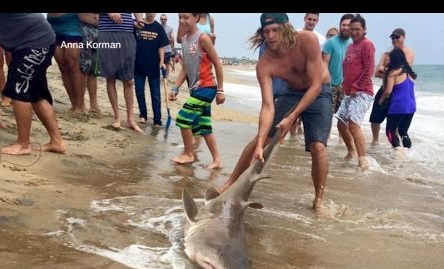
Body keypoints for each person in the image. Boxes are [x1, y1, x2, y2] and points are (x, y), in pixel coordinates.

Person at [218, 13, 333, 218]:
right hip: (292, 92)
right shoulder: (265, 64)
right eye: (266, 31)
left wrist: (292, 117)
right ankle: (230, 182)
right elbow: (268, 106)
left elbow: (315, 84)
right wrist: (262, 142)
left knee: (318, 147)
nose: (271, 36)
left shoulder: (307, 40)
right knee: (261, 139)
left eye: (275, 30)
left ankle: (319, 199)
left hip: (319, 91)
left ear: (285, 28)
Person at [0, 13, 66, 155]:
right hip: (41, 40)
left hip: (33, 43)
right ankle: (57, 142)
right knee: (35, 93)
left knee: (19, 90)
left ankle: (23, 144)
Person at [169, 13, 225, 170]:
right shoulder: (185, 40)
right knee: (204, 126)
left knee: (183, 118)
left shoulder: (203, 38)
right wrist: (175, 88)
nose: (182, 21)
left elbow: (217, 64)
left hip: (207, 87)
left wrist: (220, 90)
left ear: (196, 18)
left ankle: (188, 154)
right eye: (180, 17)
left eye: (186, 17)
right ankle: (217, 160)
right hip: (196, 89)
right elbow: (185, 68)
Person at [335, 14, 375, 170]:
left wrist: (357, 86)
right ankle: (351, 151)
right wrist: (345, 86)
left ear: (364, 29)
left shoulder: (367, 45)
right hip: (349, 92)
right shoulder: (350, 47)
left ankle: (363, 160)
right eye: (351, 29)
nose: (353, 32)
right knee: (340, 123)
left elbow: (369, 70)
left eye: (357, 29)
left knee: (353, 125)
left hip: (363, 92)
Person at [98, 13, 145, 132]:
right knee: (110, 77)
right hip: (107, 32)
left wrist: (138, 20)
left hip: (127, 33)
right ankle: (117, 117)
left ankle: (130, 119)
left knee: (128, 80)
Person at [370, 28, 415, 145]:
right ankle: (376, 141)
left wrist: (386, 70)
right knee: (376, 119)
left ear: (403, 37)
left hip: (397, 93)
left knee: (392, 128)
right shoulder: (386, 54)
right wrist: (388, 72)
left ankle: (397, 150)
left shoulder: (408, 52)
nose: (394, 39)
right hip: (398, 95)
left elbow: (401, 71)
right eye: (392, 37)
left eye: (397, 37)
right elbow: (376, 73)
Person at [322, 14, 354, 141]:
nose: (345, 27)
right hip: (331, 85)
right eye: (343, 25)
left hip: (347, 88)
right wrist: (327, 84)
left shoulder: (354, 44)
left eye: (348, 25)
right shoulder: (330, 43)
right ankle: (326, 140)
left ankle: (342, 143)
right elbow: (324, 64)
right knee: (327, 116)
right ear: (340, 26)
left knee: (344, 118)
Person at [378, 48, 417, 150]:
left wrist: (381, 100)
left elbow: (388, 91)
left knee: (390, 131)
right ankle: (408, 151)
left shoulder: (393, 73)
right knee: (403, 131)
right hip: (411, 106)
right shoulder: (410, 73)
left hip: (398, 106)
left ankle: (398, 151)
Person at [134, 13, 169, 127]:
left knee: (155, 94)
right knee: (139, 91)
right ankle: (143, 115)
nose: (151, 14)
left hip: (154, 65)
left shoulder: (158, 27)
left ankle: (157, 119)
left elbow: (161, 46)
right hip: (138, 64)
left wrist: (162, 61)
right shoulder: (138, 24)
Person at [47, 13, 85, 113]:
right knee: (62, 66)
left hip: (70, 22)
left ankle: (79, 106)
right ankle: (73, 104)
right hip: (53, 23)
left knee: (73, 65)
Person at [78, 13, 101, 114]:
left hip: (100, 29)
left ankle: (94, 104)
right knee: (84, 67)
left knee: (94, 69)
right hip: (83, 27)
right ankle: (80, 103)